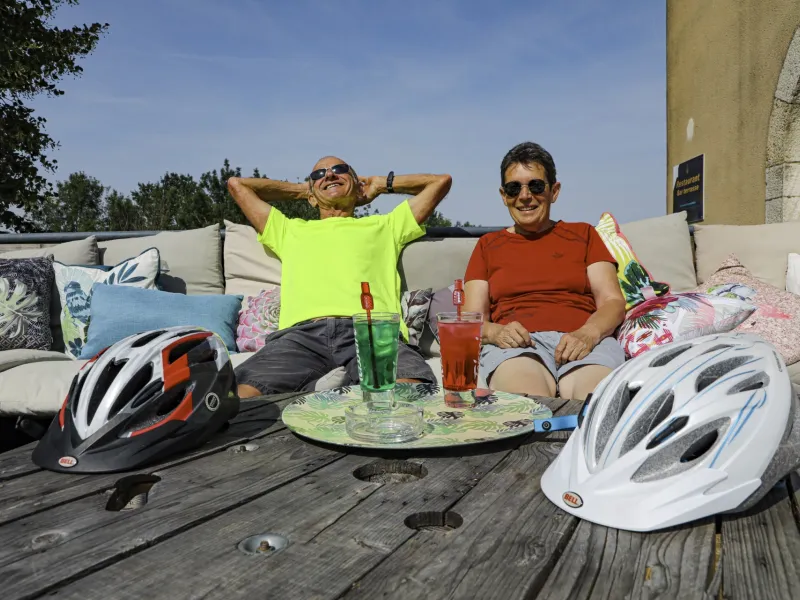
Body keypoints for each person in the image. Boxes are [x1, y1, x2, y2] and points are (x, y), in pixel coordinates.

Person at [227, 156, 452, 398]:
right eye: (318, 174)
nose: (330, 175)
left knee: (407, 396)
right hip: (300, 337)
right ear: (311, 196)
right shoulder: (288, 229)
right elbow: (237, 185)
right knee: (237, 400)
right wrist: (304, 191)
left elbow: (440, 182)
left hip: (371, 331)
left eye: (339, 170)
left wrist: (381, 184)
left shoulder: (386, 225)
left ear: (357, 185)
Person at [463, 142, 626, 401]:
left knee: (594, 405)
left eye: (536, 186)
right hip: (518, 347)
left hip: (583, 340)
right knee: (529, 406)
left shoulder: (583, 234)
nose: (525, 196)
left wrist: (588, 333)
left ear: (554, 191)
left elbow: (612, 301)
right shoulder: (487, 246)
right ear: (504, 195)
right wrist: (497, 333)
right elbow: (470, 319)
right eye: (514, 188)